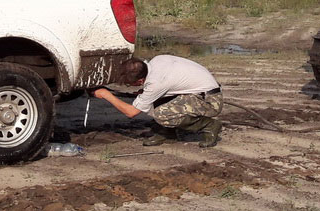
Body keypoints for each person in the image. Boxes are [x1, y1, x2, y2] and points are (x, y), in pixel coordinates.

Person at [92, 55, 224, 148]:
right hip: (199, 91)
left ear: (140, 81)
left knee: (162, 114)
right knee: (153, 101)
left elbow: (131, 112)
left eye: (129, 83)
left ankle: (209, 125)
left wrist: (106, 95)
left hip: (209, 101)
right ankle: (167, 132)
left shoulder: (156, 83)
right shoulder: (157, 61)